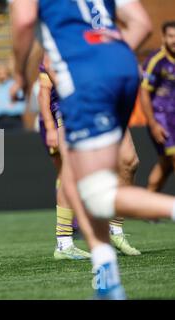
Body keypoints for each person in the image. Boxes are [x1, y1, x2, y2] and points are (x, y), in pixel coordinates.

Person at [11, 0, 175, 300]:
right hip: (122, 67)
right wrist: (108, 54)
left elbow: (22, 21)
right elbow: (142, 24)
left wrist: (19, 74)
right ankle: (107, 281)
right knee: (76, 180)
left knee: (95, 192)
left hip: (87, 80)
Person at [38, 56, 140, 260]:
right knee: (71, 171)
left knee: (129, 161)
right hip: (72, 106)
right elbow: (45, 83)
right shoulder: (62, 35)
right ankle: (64, 242)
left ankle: (115, 230)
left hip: (107, 103)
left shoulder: (104, 32)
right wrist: (50, 126)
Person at [140, 21, 175, 194]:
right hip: (162, 119)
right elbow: (144, 92)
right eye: (171, 36)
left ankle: (147, 206)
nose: (174, 40)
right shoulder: (156, 60)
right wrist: (153, 124)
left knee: (166, 164)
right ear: (163, 37)